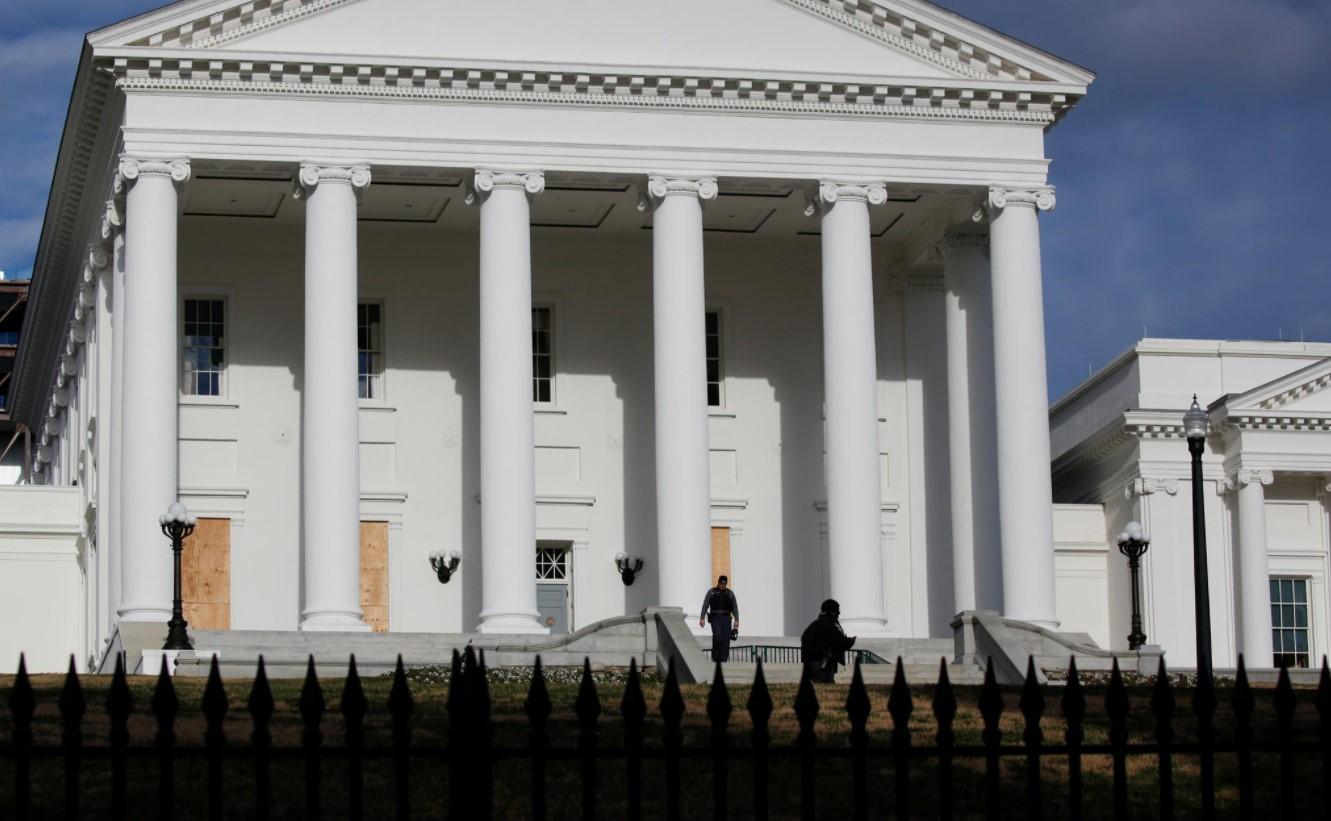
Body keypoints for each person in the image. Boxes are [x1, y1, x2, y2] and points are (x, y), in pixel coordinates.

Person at [800, 598, 856, 683]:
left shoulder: (816, 624)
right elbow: (838, 640)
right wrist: (849, 641)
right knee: (824, 685)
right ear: (832, 611)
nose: (839, 613)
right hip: (822, 663)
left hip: (812, 662)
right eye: (837, 610)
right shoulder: (830, 622)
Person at [699, 575, 739, 663]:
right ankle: (716, 658)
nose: (723, 585)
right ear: (718, 582)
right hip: (715, 618)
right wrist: (702, 618)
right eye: (721, 583)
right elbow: (705, 605)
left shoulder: (730, 593)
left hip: (726, 618)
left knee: (726, 639)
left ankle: (723, 659)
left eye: (725, 583)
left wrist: (737, 620)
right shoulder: (712, 592)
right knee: (717, 636)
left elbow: (735, 607)